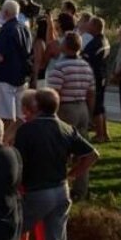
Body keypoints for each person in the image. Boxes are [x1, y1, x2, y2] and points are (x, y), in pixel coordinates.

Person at [14, 89, 99, 240]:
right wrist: (72, 174)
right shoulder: (67, 129)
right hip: (61, 191)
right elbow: (92, 155)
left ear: (37, 106)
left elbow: (17, 163)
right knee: (55, 238)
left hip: (37, 192)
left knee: (11, 230)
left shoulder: (26, 130)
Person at [46, 32, 96, 200]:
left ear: (65, 46)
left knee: (61, 150)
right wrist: (90, 113)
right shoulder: (85, 66)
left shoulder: (60, 67)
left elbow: (54, 94)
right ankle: (81, 189)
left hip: (66, 108)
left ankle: (60, 187)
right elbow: (91, 92)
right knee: (82, 150)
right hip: (82, 107)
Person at [0, 0, 33, 140]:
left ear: (6, 12)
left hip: (6, 76)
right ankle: (18, 143)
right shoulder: (25, 29)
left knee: (6, 117)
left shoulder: (6, 31)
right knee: (20, 117)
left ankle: (6, 144)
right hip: (21, 77)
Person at [81, 17, 110, 143]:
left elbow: (86, 58)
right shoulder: (104, 40)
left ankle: (100, 135)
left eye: (90, 24)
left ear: (95, 26)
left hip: (96, 76)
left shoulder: (97, 42)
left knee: (97, 106)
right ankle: (104, 132)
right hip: (101, 75)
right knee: (101, 106)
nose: (87, 26)